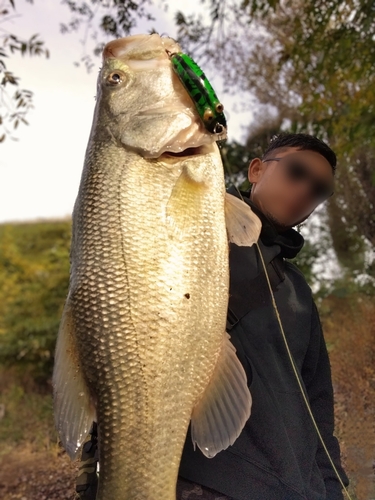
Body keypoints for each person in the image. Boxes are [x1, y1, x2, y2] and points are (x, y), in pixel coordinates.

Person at [177, 133, 349, 500]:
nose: (305, 190)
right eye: (296, 171)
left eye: (319, 189)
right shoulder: (191, 240)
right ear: (256, 170)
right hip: (209, 485)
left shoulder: (298, 289)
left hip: (302, 489)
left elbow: (317, 400)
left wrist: (332, 485)